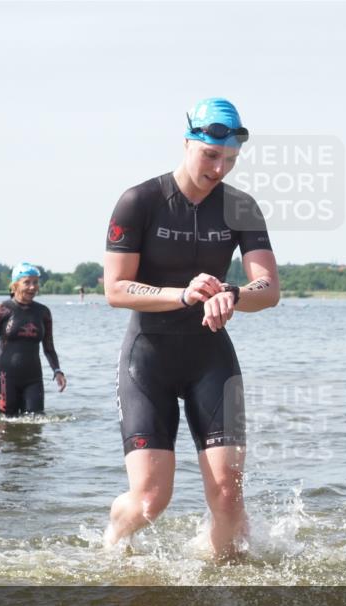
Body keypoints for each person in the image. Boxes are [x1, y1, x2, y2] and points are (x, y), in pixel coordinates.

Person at [103, 97, 280, 560]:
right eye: (210, 155)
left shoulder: (241, 207)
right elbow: (116, 289)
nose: (219, 168)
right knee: (148, 501)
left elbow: (269, 288)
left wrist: (235, 294)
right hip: (149, 358)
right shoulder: (139, 201)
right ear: (188, 143)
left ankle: (220, 588)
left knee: (227, 498)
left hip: (209, 359)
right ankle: (110, 547)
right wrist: (181, 295)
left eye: (230, 160)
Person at [0, 263, 66, 415]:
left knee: (35, 424)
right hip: (5, 378)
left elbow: (49, 347)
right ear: (15, 285)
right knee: (5, 428)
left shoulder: (43, 312)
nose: (33, 287)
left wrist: (57, 371)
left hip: (34, 379)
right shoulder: (1, 310)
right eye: (27, 282)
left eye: (35, 282)